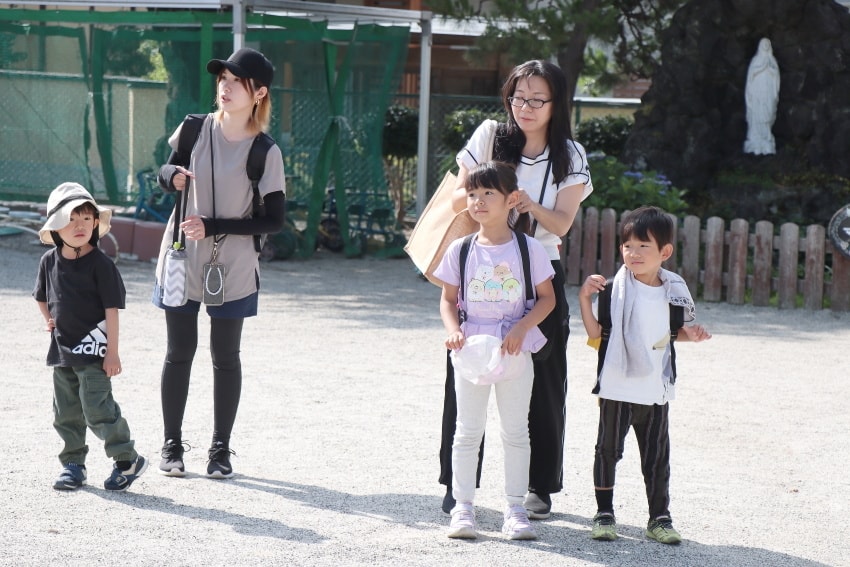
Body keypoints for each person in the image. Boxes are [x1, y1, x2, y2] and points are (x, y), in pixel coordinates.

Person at [440, 59, 593, 519]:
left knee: (545, 380)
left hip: (538, 266)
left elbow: (561, 223)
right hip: (482, 263)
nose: (525, 107)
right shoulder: (490, 135)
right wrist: (491, 195)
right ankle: (457, 487)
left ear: (556, 104)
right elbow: (457, 197)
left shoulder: (570, 154)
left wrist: (528, 205)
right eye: (518, 97)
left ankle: (539, 486)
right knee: (466, 368)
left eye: (537, 100)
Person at [152, 48, 286, 479]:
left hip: (235, 265)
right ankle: (172, 445)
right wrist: (170, 176)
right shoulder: (194, 128)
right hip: (181, 258)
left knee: (225, 356)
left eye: (236, 82)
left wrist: (213, 226)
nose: (225, 88)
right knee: (178, 352)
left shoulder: (265, 151)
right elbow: (165, 170)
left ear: (259, 93)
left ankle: (220, 450)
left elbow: (274, 220)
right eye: (222, 79)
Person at [434, 161, 556, 540]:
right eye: (473, 194)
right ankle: (463, 508)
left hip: (514, 348)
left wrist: (521, 328)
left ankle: (515, 509)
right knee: (467, 431)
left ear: (511, 199)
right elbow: (448, 300)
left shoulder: (529, 248)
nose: (479, 201)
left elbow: (548, 299)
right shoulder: (460, 249)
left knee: (516, 431)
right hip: (471, 349)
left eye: (489, 193)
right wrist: (453, 331)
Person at [577, 206, 711, 544]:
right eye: (628, 246)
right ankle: (604, 514)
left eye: (643, 246)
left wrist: (691, 335)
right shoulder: (613, 290)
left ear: (664, 252)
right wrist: (584, 298)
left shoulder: (673, 291)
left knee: (656, 456)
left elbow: (671, 333)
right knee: (607, 451)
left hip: (655, 387)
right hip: (617, 385)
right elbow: (596, 334)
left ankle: (659, 518)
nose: (633, 253)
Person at [34, 182, 148, 492]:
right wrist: (48, 320)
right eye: (71, 219)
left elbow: (112, 310)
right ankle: (73, 465)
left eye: (87, 218)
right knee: (66, 413)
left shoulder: (101, 264)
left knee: (98, 409)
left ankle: (127, 459)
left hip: (95, 352)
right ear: (56, 225)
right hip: (62, 352)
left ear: (96, 223)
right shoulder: (49, 261)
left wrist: (112, 352)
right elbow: (41, 296)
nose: (80, 226)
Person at [744, 37, 780, 155]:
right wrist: (761, 67)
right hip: (757, 92)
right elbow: (751, 76)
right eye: (763, 43)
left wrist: (769, 69)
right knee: (757, 113)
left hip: (768, 92)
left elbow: (776, 76)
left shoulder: (772, 60)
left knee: (767, 113)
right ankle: (755, 138)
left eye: (767, 43)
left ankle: (766, 137)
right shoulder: (755, 60)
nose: (765, 45)